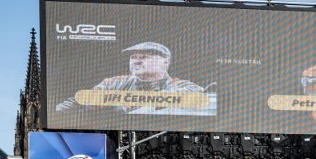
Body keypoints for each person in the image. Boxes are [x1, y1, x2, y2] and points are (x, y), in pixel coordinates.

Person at [55, 42, 213, 115]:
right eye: (134, 57)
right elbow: (78, 100)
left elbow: (193, 97)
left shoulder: (181, 85)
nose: (137, 60)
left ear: (166, 62)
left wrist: (135, 103)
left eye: (144, 56)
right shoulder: (115, 82)